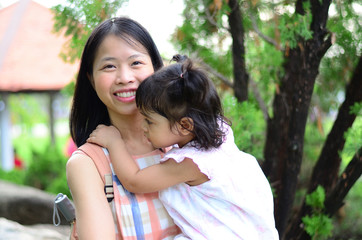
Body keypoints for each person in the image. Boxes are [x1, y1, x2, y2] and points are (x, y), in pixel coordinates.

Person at [88, 55, 279, 239]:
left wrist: (114, 142)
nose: (143, 126)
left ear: (185, 125)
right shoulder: (220, 132)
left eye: (149, 121)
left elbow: (134, 181)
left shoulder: (190, 163)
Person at [66, 17, 180, 239]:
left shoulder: (185, 141)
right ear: (91, 79)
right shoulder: (89, 164)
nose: (125, 78)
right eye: (109, 66)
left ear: (157, 69)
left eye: (136, 63)